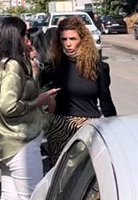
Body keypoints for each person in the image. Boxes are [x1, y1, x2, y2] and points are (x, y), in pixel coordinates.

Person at [0, 17, 58, 200]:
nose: (29, 39)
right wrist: (38, 101)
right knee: (32, 196)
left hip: (6, 143)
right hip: (20, 141)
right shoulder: (12, 66)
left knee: (10, 196)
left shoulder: (2, 63)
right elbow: (8, 106)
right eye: (25, 34)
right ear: (15, 37)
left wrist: (34, 72)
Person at [44, 16, 116, 165]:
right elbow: (34, 90)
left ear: (82, 40)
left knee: (89, 174)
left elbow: (106, 102)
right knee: (59, 175)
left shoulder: (97, 67)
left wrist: (114, 129)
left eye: (73, 39)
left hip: (88, 129)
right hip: (59, 129)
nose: (68, 44)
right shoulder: (54, 66)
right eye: (64, 39)